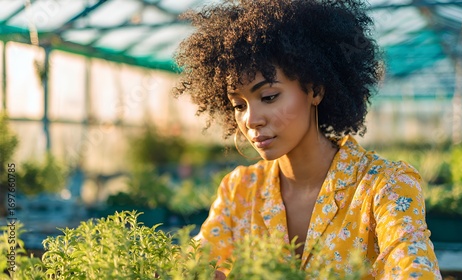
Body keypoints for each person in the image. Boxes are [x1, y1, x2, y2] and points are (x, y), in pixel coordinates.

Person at [173, 0, 442, 279]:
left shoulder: (385, 187)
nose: (251, 120)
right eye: (239, 105)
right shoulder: (239, 191)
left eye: (268, 97)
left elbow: (415, 269)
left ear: (314, 90)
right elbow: (196, 263)